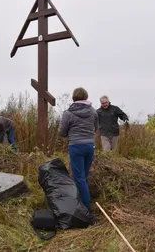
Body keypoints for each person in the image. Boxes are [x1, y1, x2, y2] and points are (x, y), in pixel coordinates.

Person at [59, 87, 99, 224]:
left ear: (74, 97)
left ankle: (87, 210)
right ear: (86, 97)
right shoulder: (93, 111)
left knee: (79, 178)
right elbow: (96, 128)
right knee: (84, 176)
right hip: (90, 146)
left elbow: (62, 132)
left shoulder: (68, 113)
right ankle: (82, 202)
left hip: (76, 146)